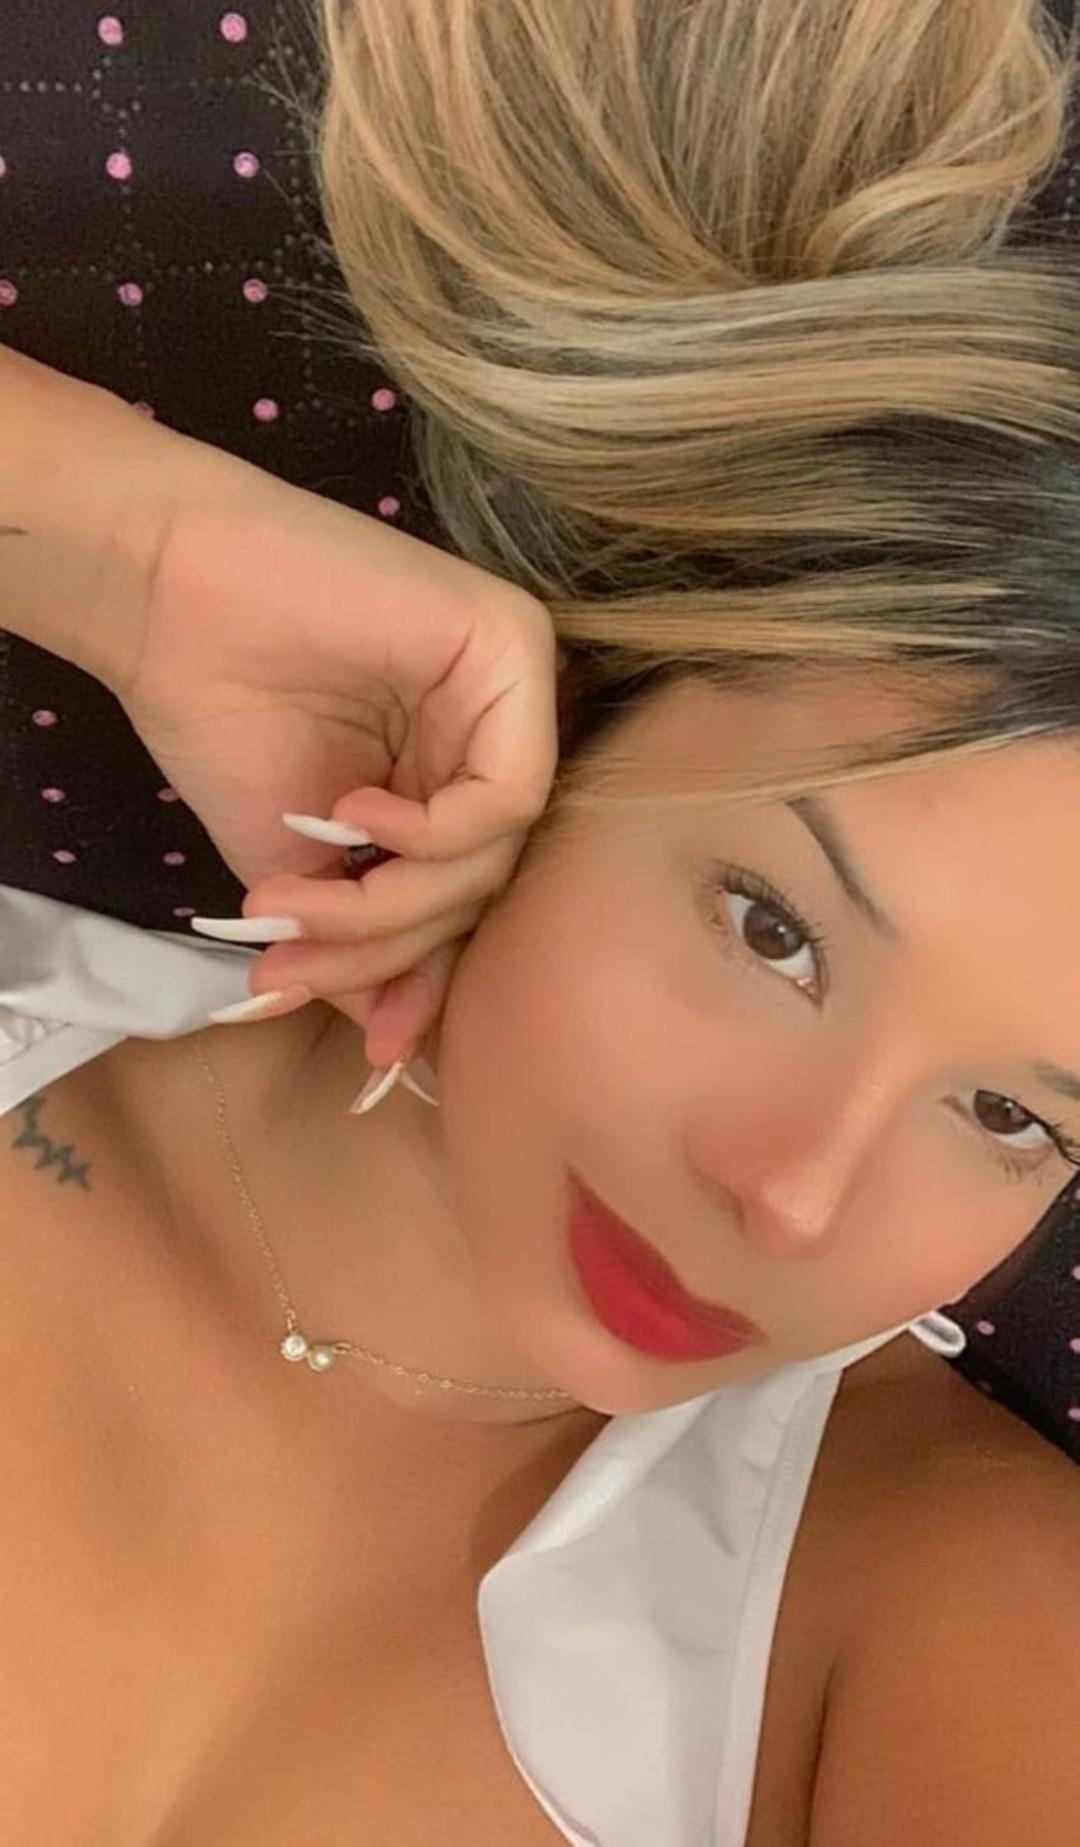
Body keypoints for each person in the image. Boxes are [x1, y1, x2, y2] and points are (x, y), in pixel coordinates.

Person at [2, 3, 1080, 1843]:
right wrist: (140, 562)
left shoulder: (947, 1609)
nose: (793, 1197)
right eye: (774, 930)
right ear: (569, 723)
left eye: (1011, 1115)